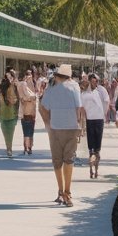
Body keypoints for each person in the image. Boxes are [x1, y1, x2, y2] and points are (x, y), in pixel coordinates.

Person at [39, 64, 84, 207]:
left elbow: (42, 108)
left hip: (55, 129)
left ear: (58, 76)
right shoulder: (75, 87)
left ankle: (61, 191)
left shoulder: (50, 89)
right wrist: (80, 126)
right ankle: (67, 192)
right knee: (69, 160)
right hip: (71, 127)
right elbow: (79, 108)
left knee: (57, 161)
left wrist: (48, 123)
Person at [81, 72, 109, 179]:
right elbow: (82, 108)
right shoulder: (84, 94)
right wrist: (83, 123)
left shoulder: (101, 90)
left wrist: (104, 114)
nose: (95, 82)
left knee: (97, 148)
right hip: (90, 120)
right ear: (89, 81)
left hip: (99, 119)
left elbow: (106, 102)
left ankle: (96, 169)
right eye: (92, 80)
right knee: (91, 148)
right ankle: (91, 170)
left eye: (96, 80)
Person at [0, 69, 20, 157]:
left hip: (6, 114)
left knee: (7, 134)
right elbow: (17, 100)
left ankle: (9, 148)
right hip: (10, 114)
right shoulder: (12, 87)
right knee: (10, 134)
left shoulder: (4, 87)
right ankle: (9, 148)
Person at [18, 68, 39, 155]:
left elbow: (36, 95)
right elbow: (24, 97)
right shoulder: (23, 85)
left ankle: (30, 147)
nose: (29, 76)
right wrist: (31, 98)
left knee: (31, 131)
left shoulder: (33, 84)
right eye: (27, 74)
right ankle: (25, 147)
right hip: (25, 112)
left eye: (30, 74)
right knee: (26, 131)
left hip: (32, 112)